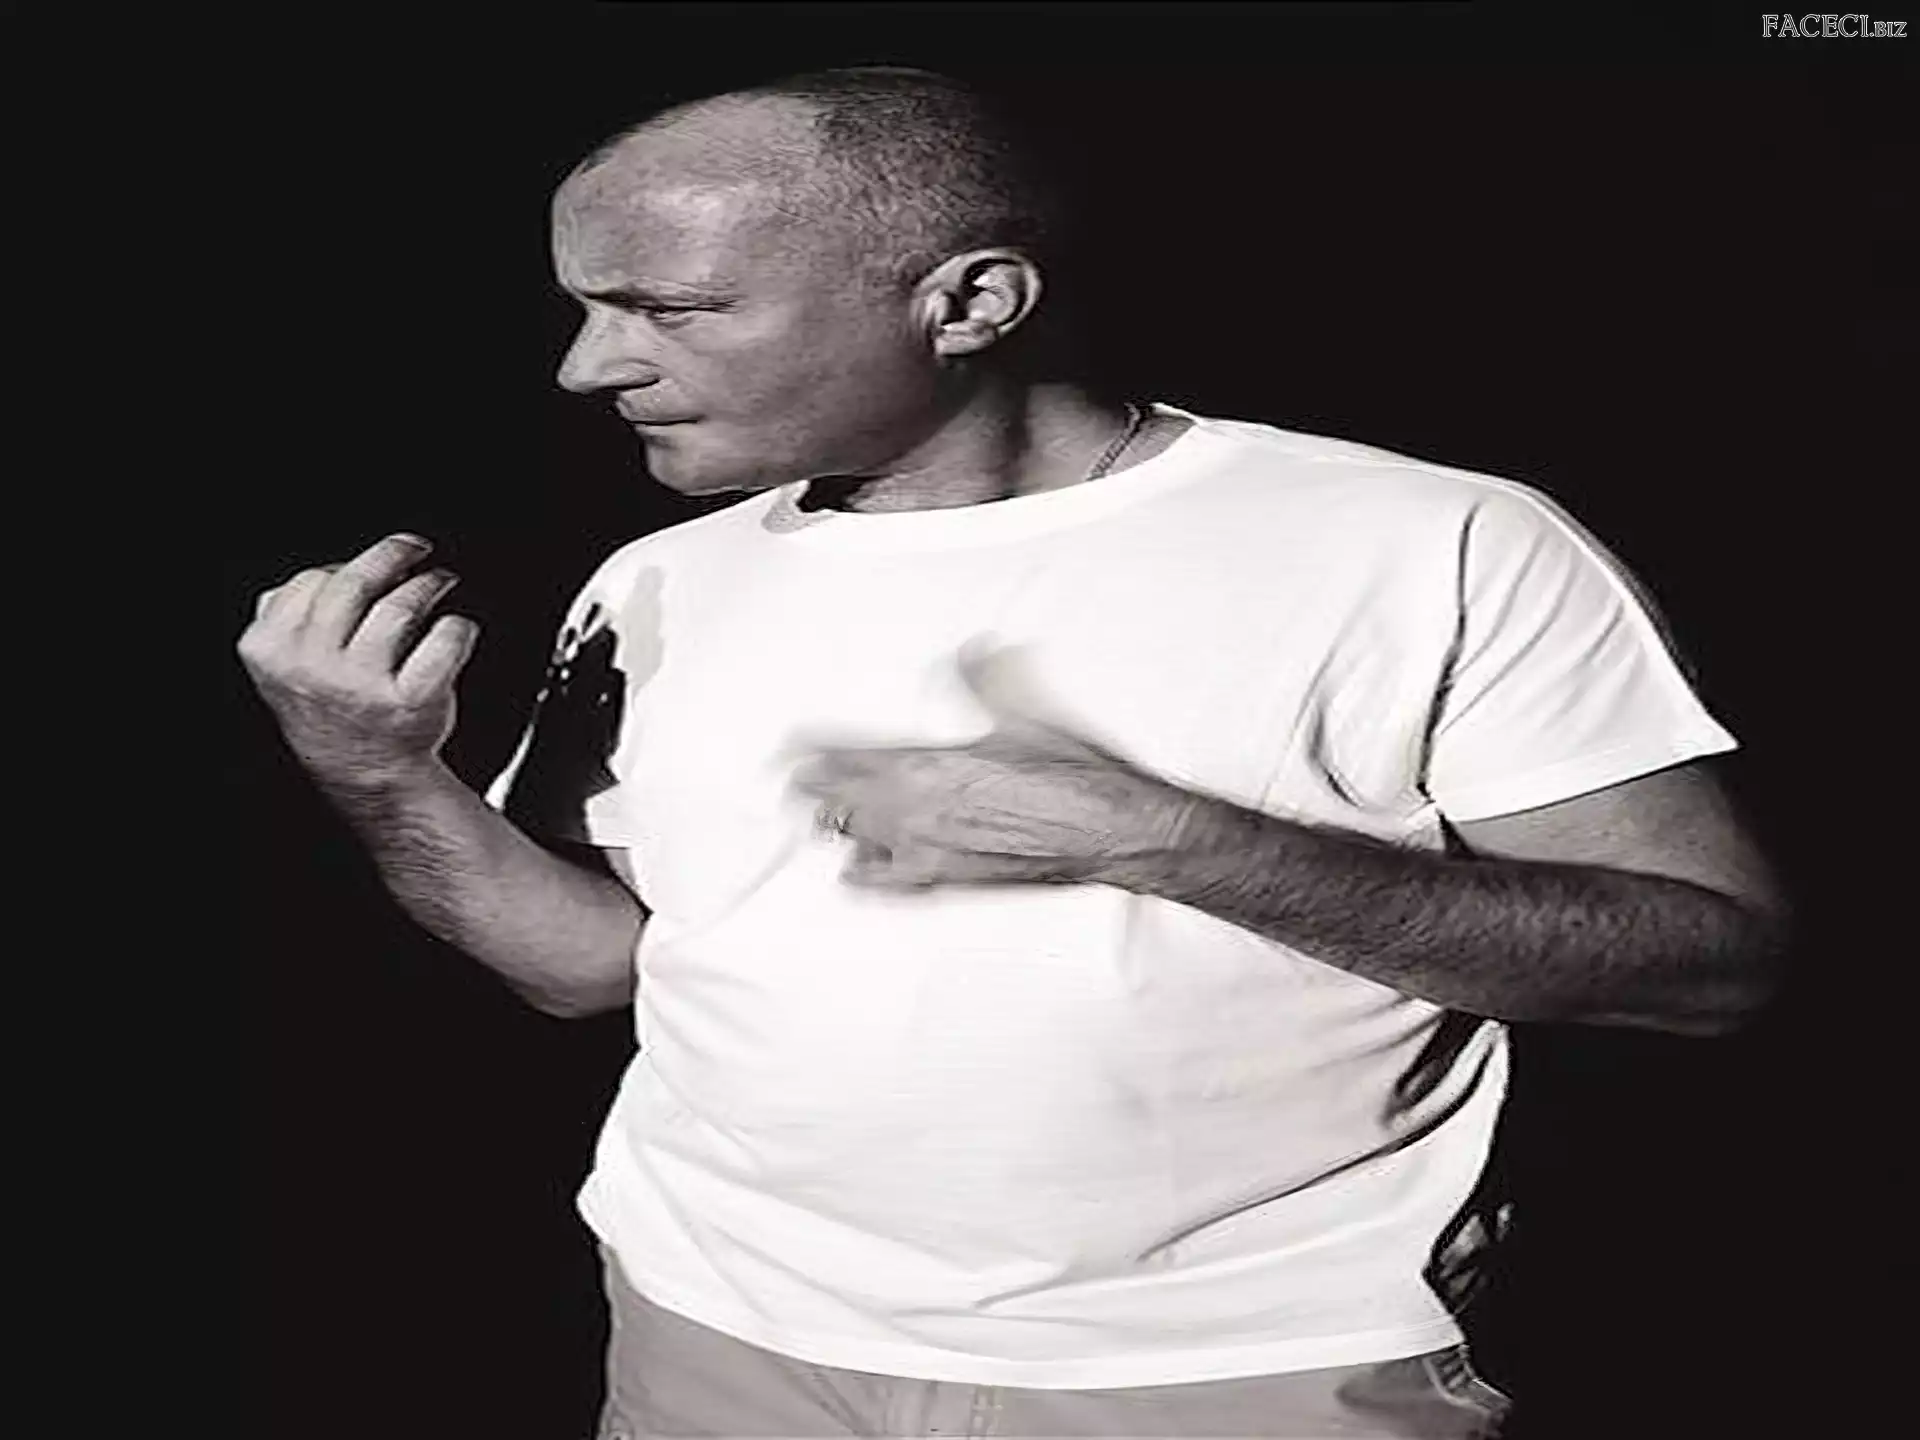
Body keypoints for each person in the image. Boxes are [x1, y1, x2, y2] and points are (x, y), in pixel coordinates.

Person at [238, 67, 1791, 1440]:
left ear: (972, 301)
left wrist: (1169, 839)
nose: (587, 367)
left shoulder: (1427, 542)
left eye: (671, 309)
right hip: (719, 1336)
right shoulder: (658, 581)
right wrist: (377, 772)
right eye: (585, 306)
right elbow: (590, 970)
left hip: (1239, 1375)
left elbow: (1709, 967)